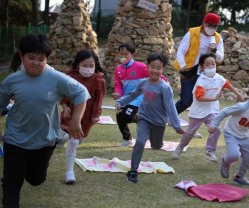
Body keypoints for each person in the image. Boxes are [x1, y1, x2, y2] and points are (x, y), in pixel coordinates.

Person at [0, 34, 90, 207]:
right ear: (21, 57)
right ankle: (13, 176)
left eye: (41, 59)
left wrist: (75, 121)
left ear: (47, 59)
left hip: (44, 141)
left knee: (36, 179)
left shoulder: (55, 78)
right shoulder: (12, 81)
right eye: (31, 58)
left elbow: (81, 93)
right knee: (12, 184)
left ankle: (25, 170)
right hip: (15, 139)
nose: (36, 62)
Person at [115, 53, 185, 183]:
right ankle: (133, 171)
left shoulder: (165, 87)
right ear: (147, 67)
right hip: (144, 118)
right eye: (152, 67)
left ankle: (157, 142)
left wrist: (177, 126)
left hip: (159, 122)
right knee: (140, 142)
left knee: (156, 146)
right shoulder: (143, 83)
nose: (155, 70)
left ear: (162, 69)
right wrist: (120, 102)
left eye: (158, 68)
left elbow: (170, 107)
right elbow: (132, 95)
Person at [172, 53, 243, 162]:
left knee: (217, 129)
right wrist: (214, 99)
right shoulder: (201, 81)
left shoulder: (219, 78)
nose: (211, 67)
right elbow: (199, 98)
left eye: (213, 64)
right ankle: (180, 147)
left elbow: (228, 85)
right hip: (198, 112)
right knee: (189, 133)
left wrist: (238, 94)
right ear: (202, 67)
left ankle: (210, 151)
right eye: (208, 65)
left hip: (212, 111)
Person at [57, 50, 106, 184]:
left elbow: (99, 100)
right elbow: (62, 92)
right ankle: (69, 172)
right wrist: (64, 105)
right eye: (85, 65)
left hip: (88, 115)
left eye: (92, 66)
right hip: (72, 112)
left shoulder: (98, 80)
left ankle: (61, 140)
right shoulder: (69, 76)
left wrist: (96, 115)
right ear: (78, 64)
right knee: (72, 140)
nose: (88, 69)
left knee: (78, 141)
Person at [173, 12, 224, 138]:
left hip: (206, 74)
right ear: (204, 23)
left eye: (215, 26)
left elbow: (220, 59)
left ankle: (192, 129)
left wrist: (214, 50)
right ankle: (170, 117)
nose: (212, 28)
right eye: (209, 25)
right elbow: (181, 51)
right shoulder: (192, 33)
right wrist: (183, 66)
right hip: (190, 71)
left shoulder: (217, 38)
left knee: (199, 102)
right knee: (186, 101)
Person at [209, 82, 249, 186]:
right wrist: (214, 124)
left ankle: (239, 177)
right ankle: (225, 161)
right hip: (231, 133)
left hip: (244, 136)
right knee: (234, 155)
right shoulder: (242, 107)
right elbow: (224, 112)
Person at [112, 43, 150, 147]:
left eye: (126, 54)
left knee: (127, 117)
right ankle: (127, 139)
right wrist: (117, 93)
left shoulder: (140, 66)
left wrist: (165, 83)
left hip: (138, 98)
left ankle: (143, 120)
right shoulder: (118, 69)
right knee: (119, 118)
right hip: (125, 98)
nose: (123, 57)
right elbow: (118, 84)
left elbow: (153, 75)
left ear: (132, 55)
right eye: (121, 54)